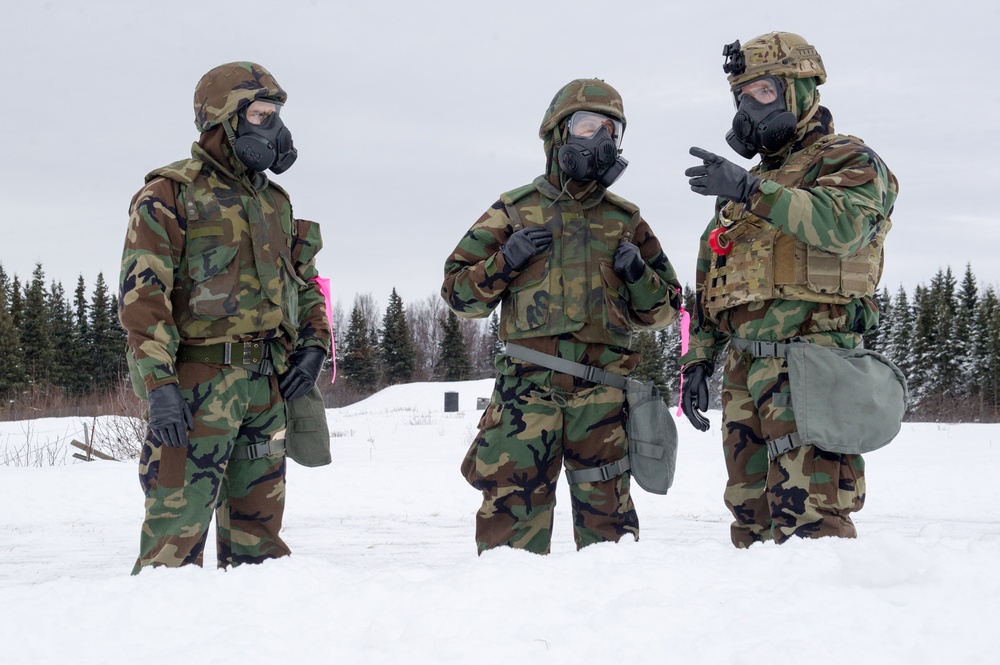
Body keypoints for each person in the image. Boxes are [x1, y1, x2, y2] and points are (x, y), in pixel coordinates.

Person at [442, 79, 681, 554]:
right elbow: (458, 295)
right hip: (525, 394)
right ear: (557, 135)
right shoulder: (514, 210)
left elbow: (664, 312)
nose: (601, 141)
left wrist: (638, 275)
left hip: (603, 398)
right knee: (510, 531)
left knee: (610, 538)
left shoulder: (624, 218)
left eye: (611, 131)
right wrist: (504, 261)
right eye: (588, 126)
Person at [680, 33, 899, 547]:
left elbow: (843, 227)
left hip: (813, 367)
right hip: (744, 373)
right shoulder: (741, 188)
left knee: (812, 522)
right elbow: (708, 283)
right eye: (741, 98)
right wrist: (695, 360)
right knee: (750, 519)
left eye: (761, 93)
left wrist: (751, 189)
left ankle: (827, 620)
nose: (748, 110)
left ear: (799, 90)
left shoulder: (849, 160)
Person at [119, 62, 331, 573]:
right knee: (174, 546)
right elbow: (143, 301)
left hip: (267, 385)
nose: (274, 129)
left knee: (261, 549)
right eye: (260, 115)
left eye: (276, 116)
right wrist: (160, 386)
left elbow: (305, 284)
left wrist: (314, 344)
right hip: (196, 387)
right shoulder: (169, 194)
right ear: (222, 119)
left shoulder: (274, 201)